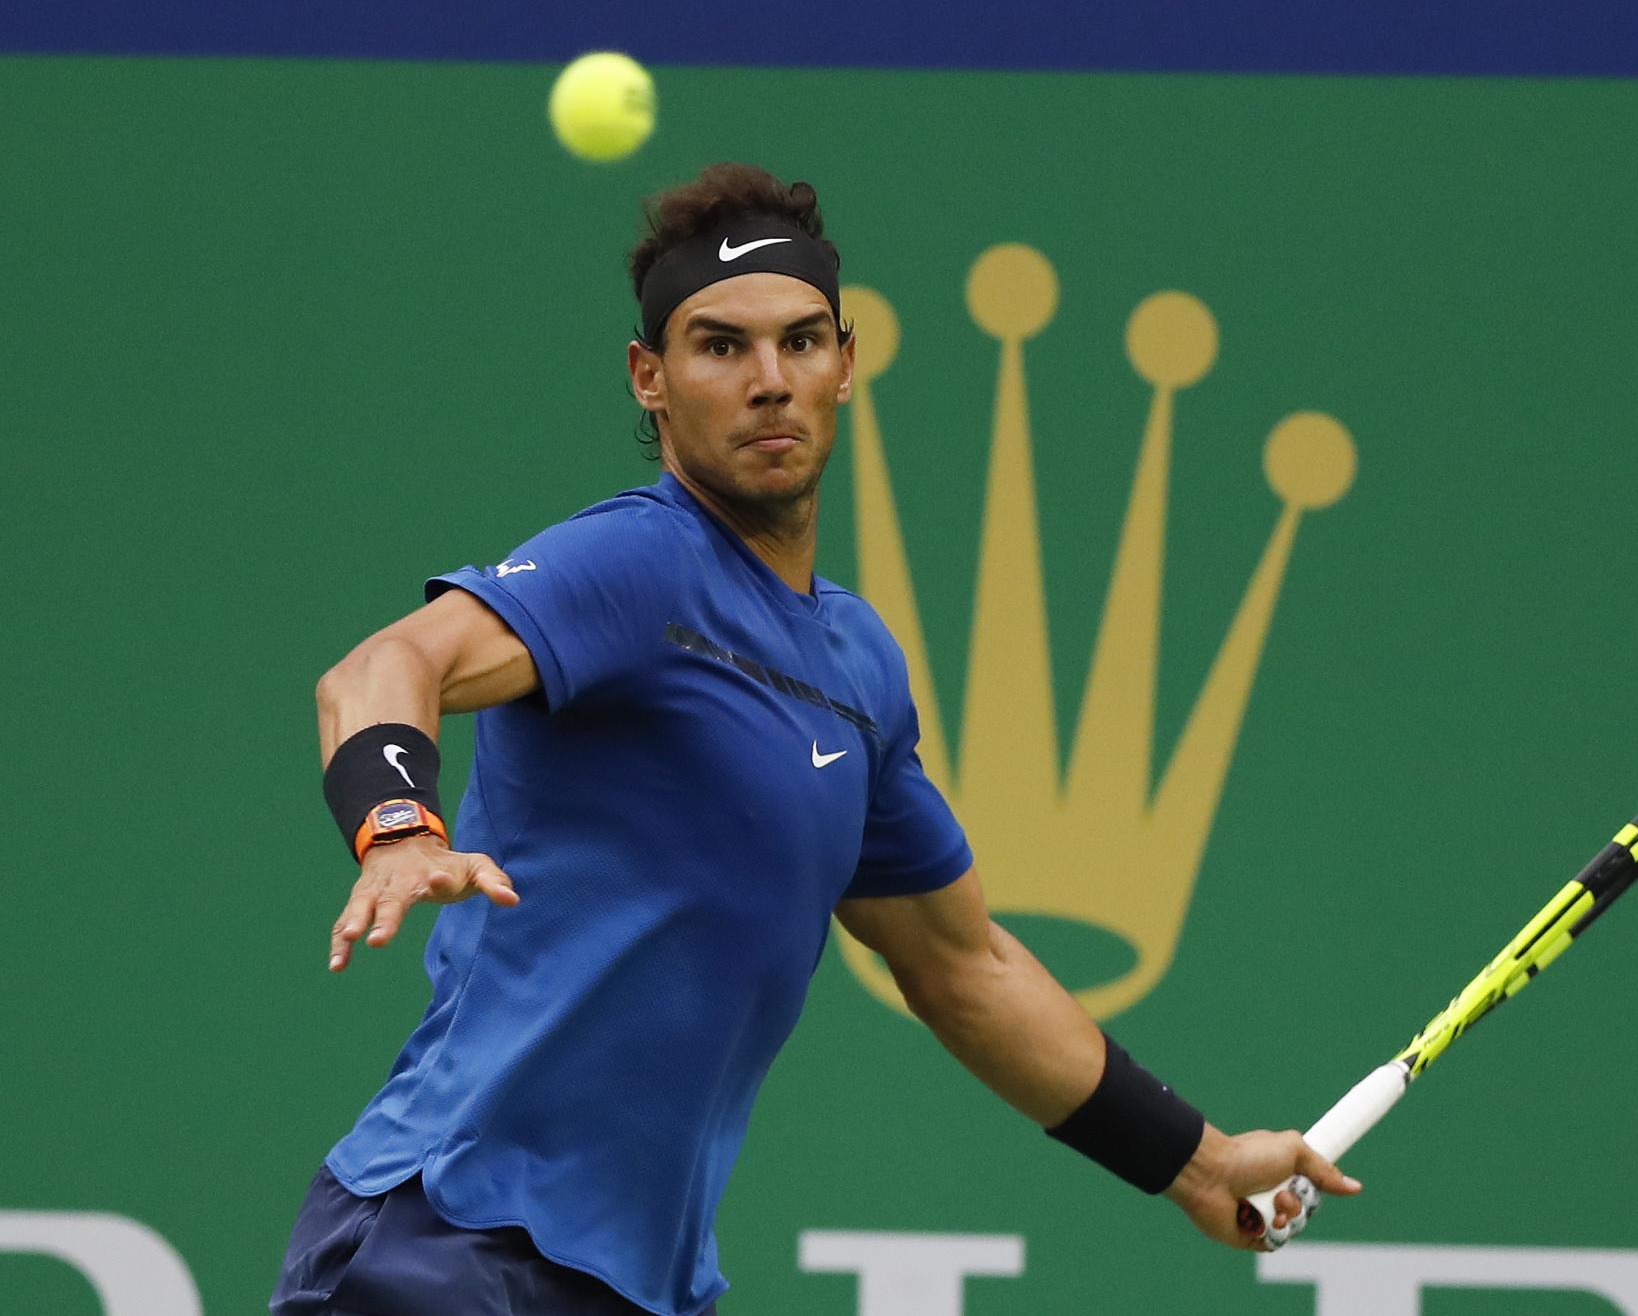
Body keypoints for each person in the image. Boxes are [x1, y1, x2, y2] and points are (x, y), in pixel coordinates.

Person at [270, 162, 1358, 1316]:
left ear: (848, 360)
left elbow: (962, 966)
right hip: (450, 1237)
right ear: (650, 379)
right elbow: (388, 667)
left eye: (798, 343)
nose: (769, 383)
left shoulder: (855, 666)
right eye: (720, 347)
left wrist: (1192, 1163)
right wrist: (396, 827)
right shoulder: (639, 564)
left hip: (627, 1283)